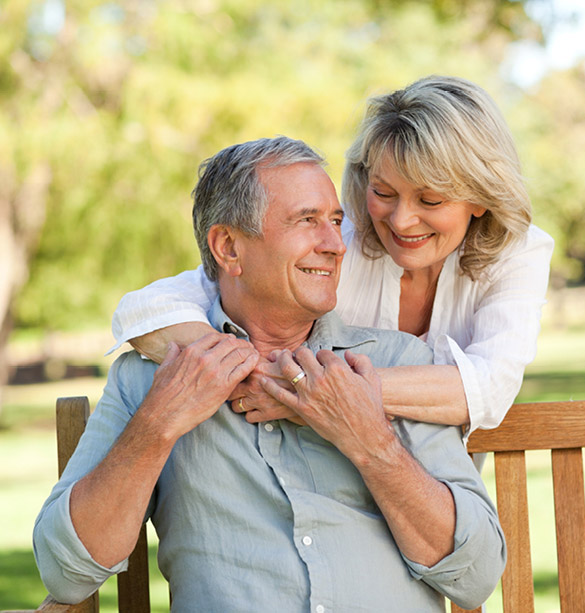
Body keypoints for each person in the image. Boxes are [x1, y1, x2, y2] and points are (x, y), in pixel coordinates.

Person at [34, 137, 505, 611]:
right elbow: (68, 573)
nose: (334, 245)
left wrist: (368, 439)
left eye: (336, 222)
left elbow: (476, 575)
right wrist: (158, 424)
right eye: (306, 221)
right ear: (228, 248)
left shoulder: (397, 361)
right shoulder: (152, 377)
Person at [108, 76, 554, 441]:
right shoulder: (337, 244)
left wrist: (323, 393)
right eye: (383, 192)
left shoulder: (519, 253)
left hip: (432, 495)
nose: (400, 220)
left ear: (480, 198)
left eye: (430, 200)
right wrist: (258, 373)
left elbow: (490, 389)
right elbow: (147, 309)